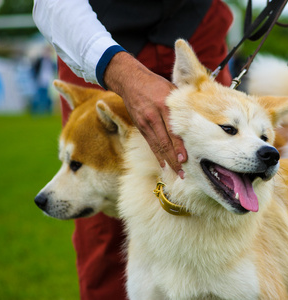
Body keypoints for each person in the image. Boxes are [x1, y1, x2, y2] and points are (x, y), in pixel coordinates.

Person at [32, 0, 233, 299]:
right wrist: (119, 72)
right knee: (105, 229)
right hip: (95, 31)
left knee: (218, 196)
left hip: (197, 23)